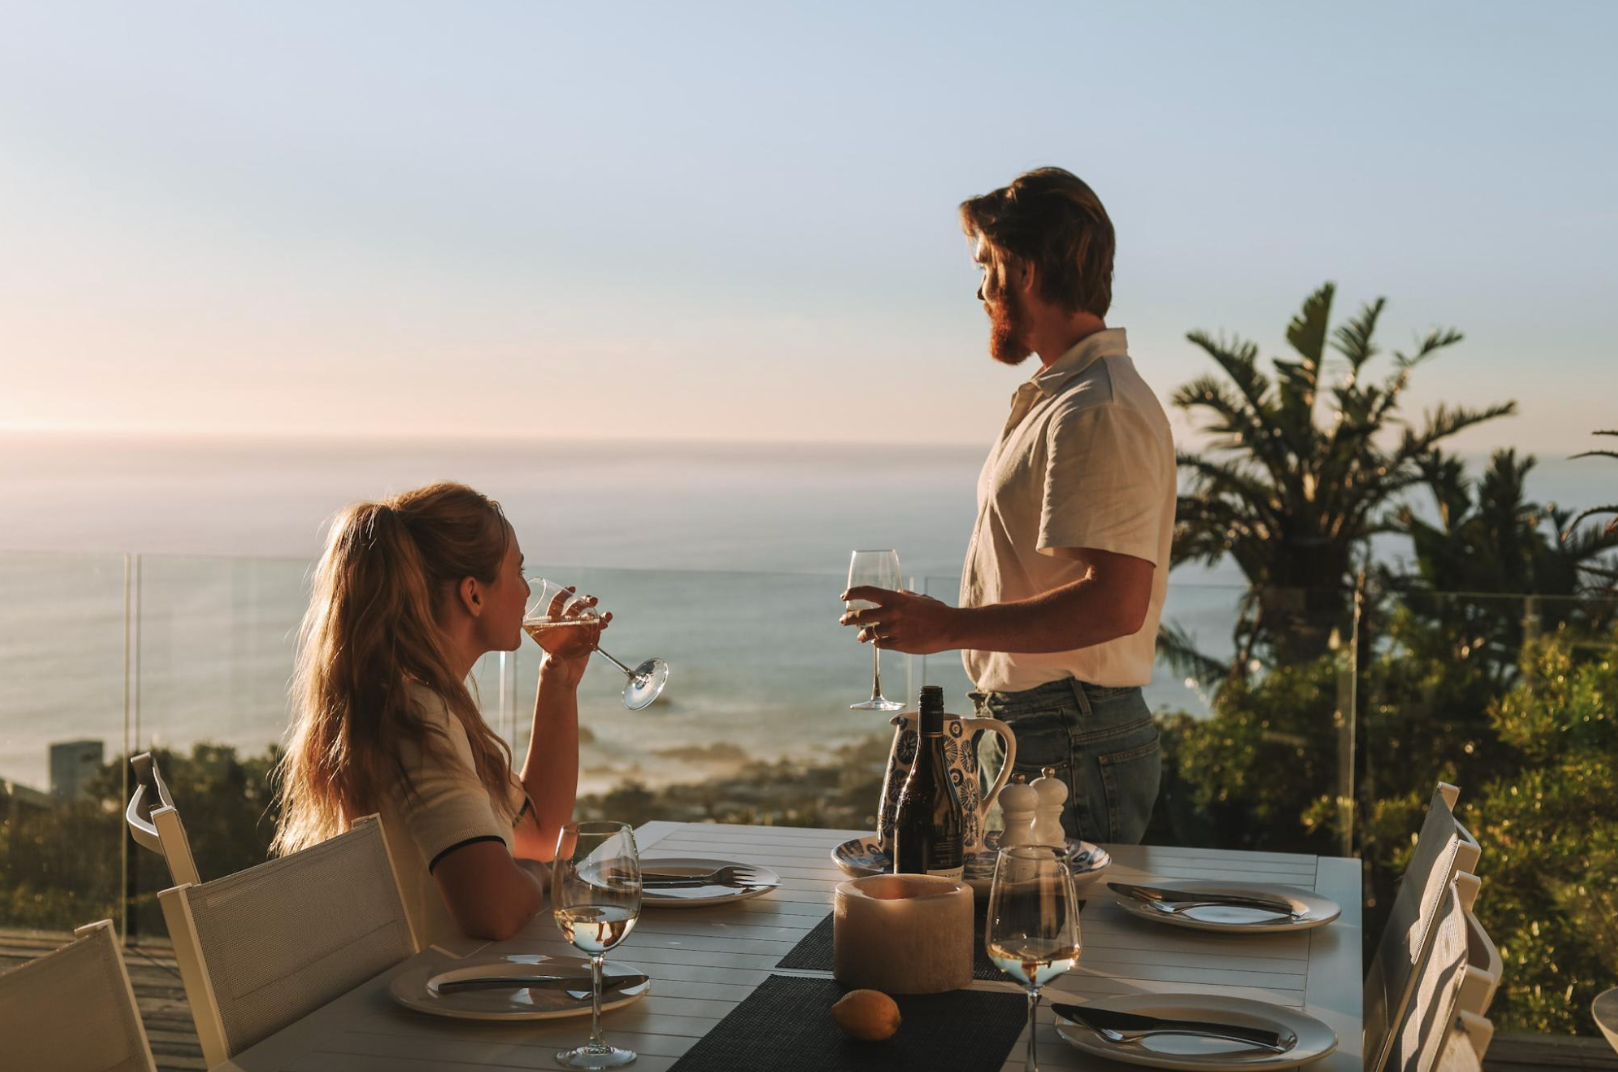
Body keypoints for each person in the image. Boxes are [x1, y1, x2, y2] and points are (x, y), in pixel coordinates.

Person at [841, 167, 1175, 845]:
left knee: (1050, 946)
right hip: (1046, 730)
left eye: (985, 265)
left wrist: (949, 626)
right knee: (1022, 941)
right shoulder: (1064, 397)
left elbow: (1116, 604)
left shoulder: (1095, 406)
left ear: (1022, 270)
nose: (980, 289)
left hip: (1067, 739)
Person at [272, 481, 606, 943]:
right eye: (518, 571)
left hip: (425, 990)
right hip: (432, 999)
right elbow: (494, 910)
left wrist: (560, 678)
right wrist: (534, 875)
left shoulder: (407, 700)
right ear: (473, 594)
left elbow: (540, 831)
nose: (528, 590)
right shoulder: (419, 717)